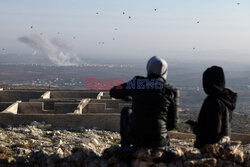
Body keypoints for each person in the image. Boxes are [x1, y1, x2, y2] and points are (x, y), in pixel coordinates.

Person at [110, 56, 179, 150]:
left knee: (126, 111)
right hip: (159, 140)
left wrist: (128, 96)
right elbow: (172, 124)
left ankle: (125, 148)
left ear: (149, 68)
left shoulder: (138, 83)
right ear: (164, 72)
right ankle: (164, 151)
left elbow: (114, 91)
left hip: (136, 139)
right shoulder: (171, 91)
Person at [188, 66, 237, 149]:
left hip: (209, 148)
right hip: (223, 145)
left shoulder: (213, 101)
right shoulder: (226, 98)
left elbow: (213, 131)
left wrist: (196, 128)